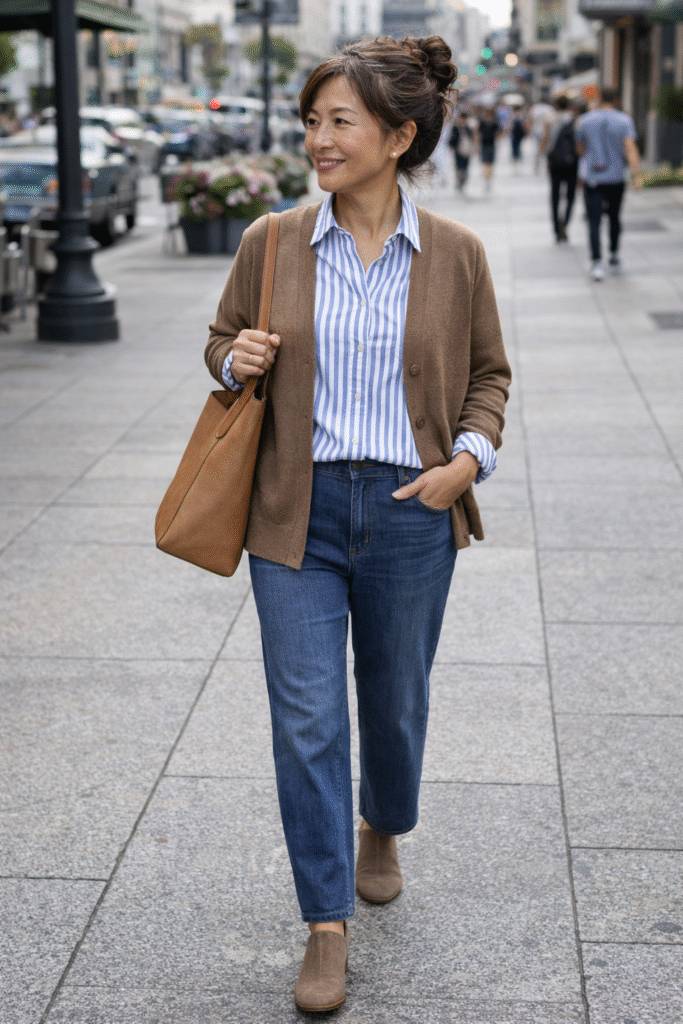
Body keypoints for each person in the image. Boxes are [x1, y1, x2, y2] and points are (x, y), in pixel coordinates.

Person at [205, 33, 511, 1013]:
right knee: (304, 718)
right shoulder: (271, 240)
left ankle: (386, 820)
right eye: (310, 120)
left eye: (338, 120)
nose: (316, 138)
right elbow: (219, 344)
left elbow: (487, 376)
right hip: (291, 509)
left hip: (408, 509)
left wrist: (464, 461)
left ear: (397, 134)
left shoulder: (455, 254)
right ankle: (324, 922)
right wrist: (235, 359)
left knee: (392, 700)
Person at [574, 86, 642, 281]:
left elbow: (580, 149)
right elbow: (630, 148)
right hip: (616, 178)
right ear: (616, 100)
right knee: (614, 216)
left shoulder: (585, 120)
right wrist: (636, 175)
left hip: (593, 178)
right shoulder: (624, 120)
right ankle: (613, 253)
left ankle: (596, 262)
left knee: (594, 221)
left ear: (599, 98)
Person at [540, 95, 578, 242]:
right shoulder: (575, 120)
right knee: (570, 196)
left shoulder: (550, 119)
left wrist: (541, 156)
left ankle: (556, 227)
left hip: (554, 161)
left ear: (556, 105)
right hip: (571, 162)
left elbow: (545, 139)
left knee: (555, 195)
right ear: (568, 105)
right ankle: (565, 223)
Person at [448, 109, 474, 190]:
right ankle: (460, 180)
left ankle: (461, 180)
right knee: (460, 166)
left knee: (463, 166)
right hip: (459, 150)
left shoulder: (467, 127)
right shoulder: (458, 127)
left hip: (464, 150)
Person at [477, 106, 500, 190]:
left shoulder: (493, 123)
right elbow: (478, 134)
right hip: (487, 145)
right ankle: (487, 179)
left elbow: (498, 134)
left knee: (488, 164)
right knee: (487, 164)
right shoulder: (484, 123)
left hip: (489, 145)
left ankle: (487, 179)